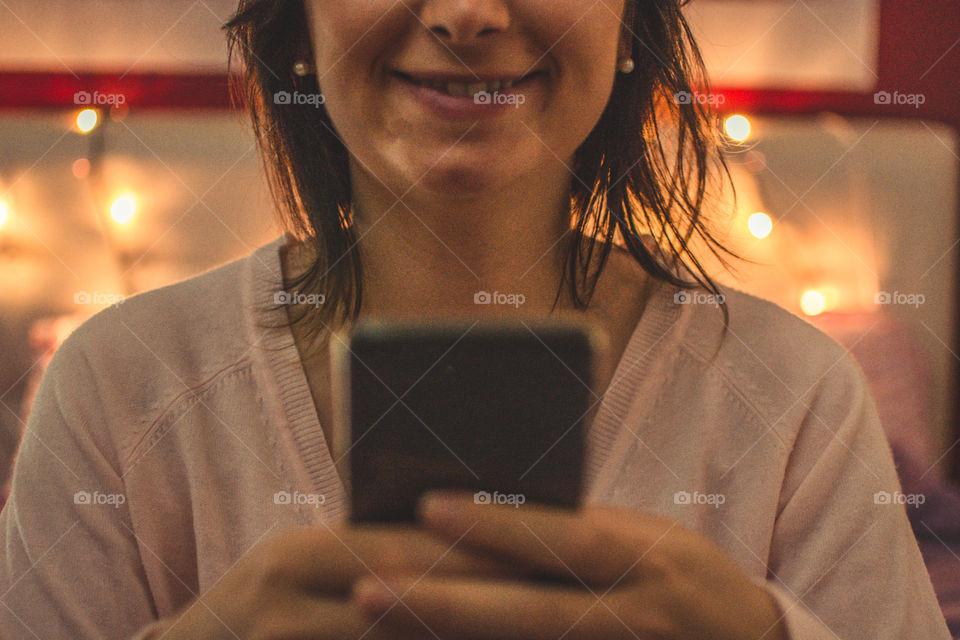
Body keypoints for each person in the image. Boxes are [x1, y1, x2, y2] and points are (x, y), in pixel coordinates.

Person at [0, 1, 951, 639]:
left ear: (629, 24)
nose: (467, 11)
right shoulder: (119, 387)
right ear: (295, 24)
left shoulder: (793, 394)